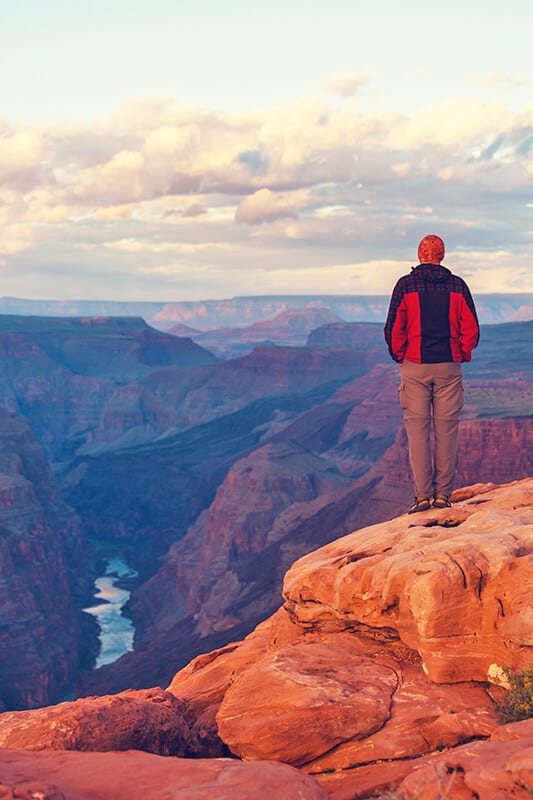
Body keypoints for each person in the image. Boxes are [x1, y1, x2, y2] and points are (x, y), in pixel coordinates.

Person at [384, 234, 479, 513]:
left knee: (418, 432)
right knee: (446, 432)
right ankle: (443, 497)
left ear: (420, 255)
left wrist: (400, 356)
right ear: (442, 255)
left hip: (414, 366)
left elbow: (393, 329)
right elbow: (471, 329)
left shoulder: (405, 285)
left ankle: (423, 497)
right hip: (449, 366)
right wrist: (461, 353)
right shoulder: (457, 286)